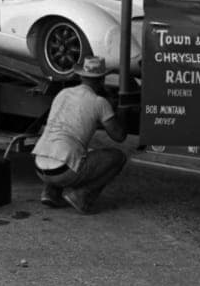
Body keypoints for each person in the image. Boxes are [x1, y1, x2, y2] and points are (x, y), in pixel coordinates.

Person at [32, 56, 128, 214]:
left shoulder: (63, 93)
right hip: (63, 171)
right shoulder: (99, 102)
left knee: (65, 145)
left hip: (39, 165)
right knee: (118, 157)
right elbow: (119, 136)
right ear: (102, 79)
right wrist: (121, 111)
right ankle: (83, 196)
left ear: (81, 75)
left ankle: (50, 193)